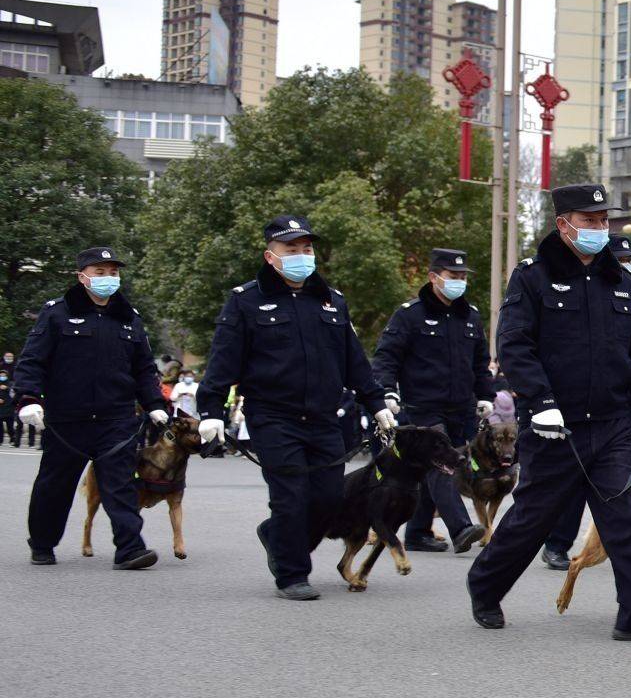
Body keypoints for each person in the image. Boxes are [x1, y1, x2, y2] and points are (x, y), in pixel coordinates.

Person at [465, 184, 631, 639]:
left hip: (613, 425)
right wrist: (541, 404)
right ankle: (484, 585)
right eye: (589, 221)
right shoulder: (531, 277)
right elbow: (514, 345)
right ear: (563, 224)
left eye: (604, 220)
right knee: (533, 519)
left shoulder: (622, 281)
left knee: (624, 518)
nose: (599, 229)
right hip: (555, 428)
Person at [197, 217, 394, 597]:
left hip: (323, 417)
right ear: (271, 256)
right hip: (273, 417)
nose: (302, 256)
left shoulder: (332, 301)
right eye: (292, 249)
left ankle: (276, 536)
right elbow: (223, 362)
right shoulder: (245, 301)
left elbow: (354, 361)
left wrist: (376, 402)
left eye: (307, 249)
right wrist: (210, 413)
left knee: (329, 498)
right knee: (290, 496)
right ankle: (291, 575)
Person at [15, 247, 171, 568]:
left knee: (120, 486)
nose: (108, 279)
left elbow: (143, 368)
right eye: (100, 272)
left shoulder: (129, 318)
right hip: (67, 419)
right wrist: (29, 399)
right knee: (54, 486)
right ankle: (43, 542)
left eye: (113, 272)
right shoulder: (56, 313)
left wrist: (155, 404)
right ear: (82, 276)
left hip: (116, 418)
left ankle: (130, 549)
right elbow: (33, 359)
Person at [370, 247, 491, 557]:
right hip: (424, 406)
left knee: (435, 470)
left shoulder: (471, 316)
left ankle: (418, 531)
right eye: (454, 276)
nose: (460, 282)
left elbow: (479, 362)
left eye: (464, 277)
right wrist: (386, 391)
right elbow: (387, 356)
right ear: (434, 277)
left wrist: (486, 395)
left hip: (461, 406)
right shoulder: (410, 314)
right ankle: (461, 527)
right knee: (441, 465)